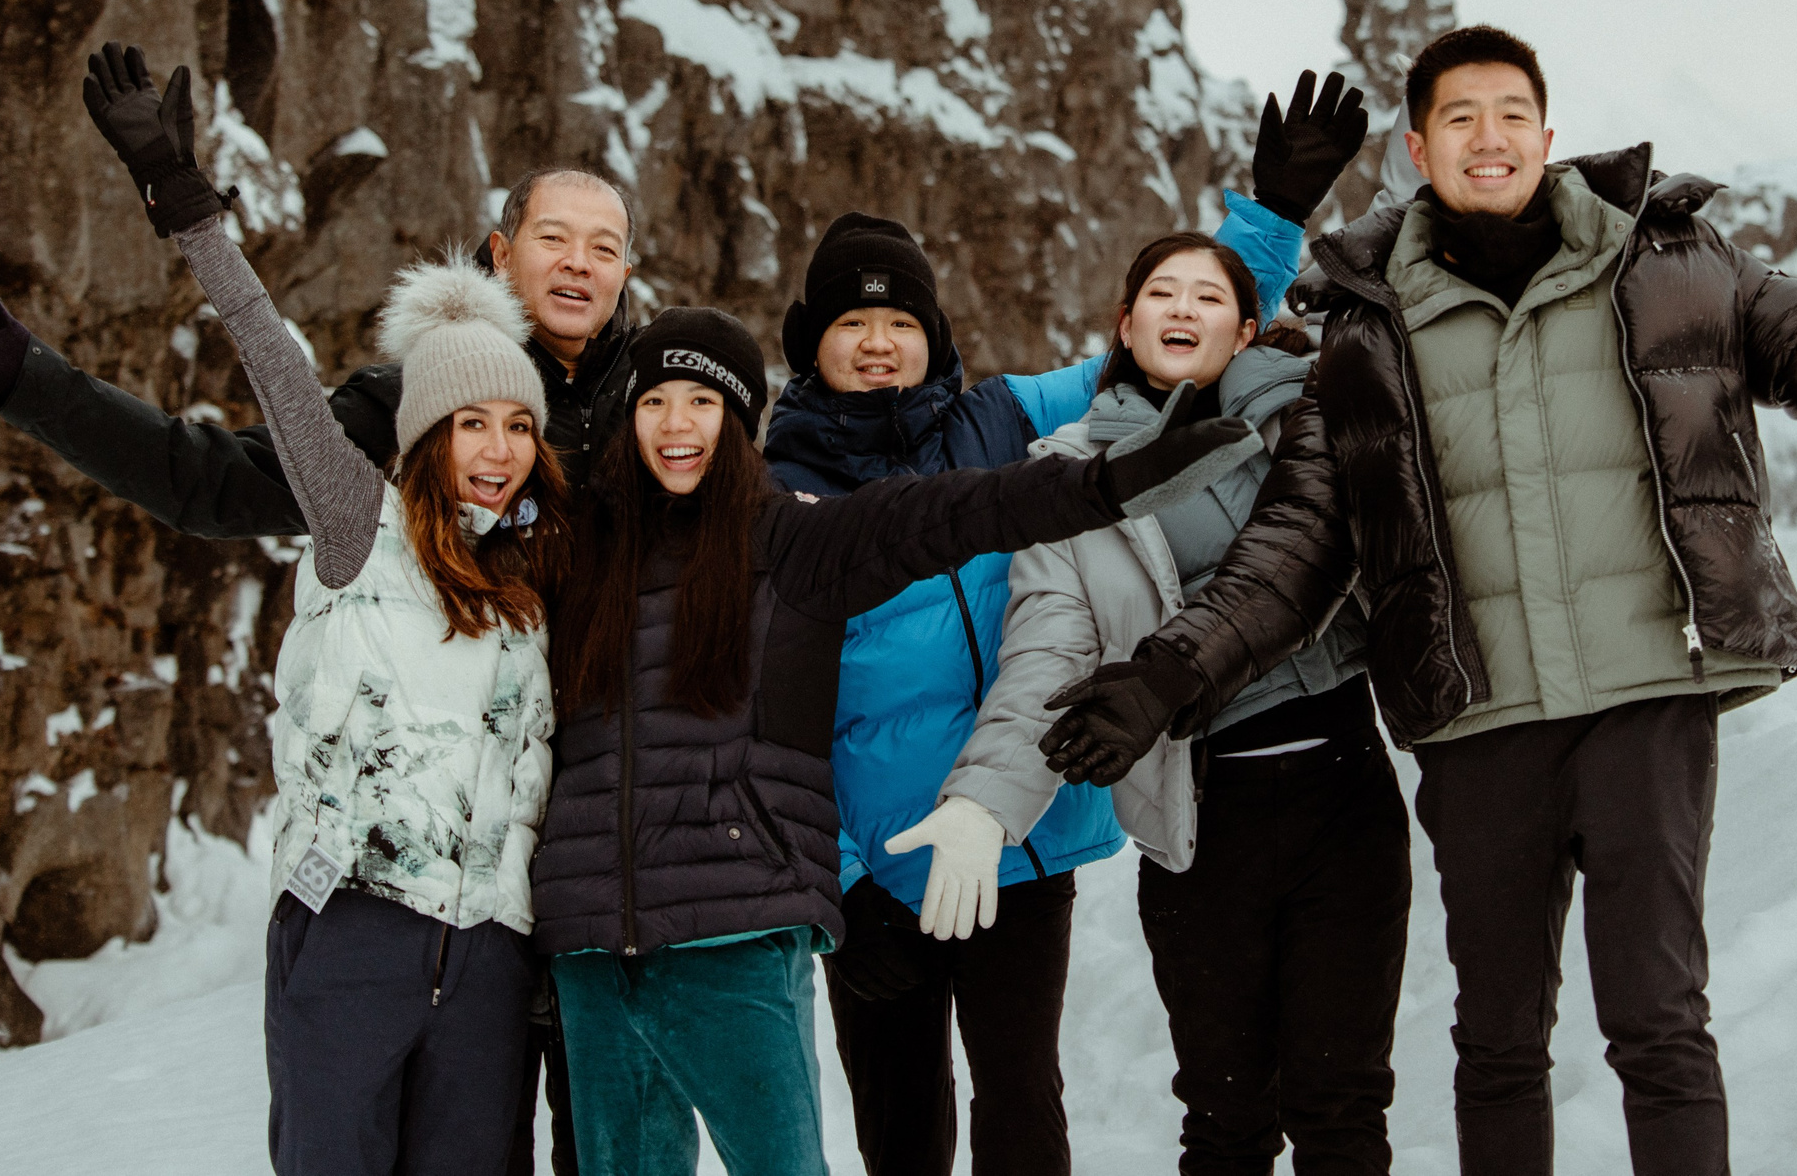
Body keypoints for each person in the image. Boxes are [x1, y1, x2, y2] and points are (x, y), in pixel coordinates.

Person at [1036, 25, 1797, 1176]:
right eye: (1460, 117)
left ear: (1548, 133)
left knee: (1658, 1020)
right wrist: (1165, 674)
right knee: (1498, 1038)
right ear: (1416, 148)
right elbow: (1293, 545)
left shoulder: (1673, 264)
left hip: (1646, 697)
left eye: (1512, 113)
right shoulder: (1363, 329)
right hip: (1480, 719)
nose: (1488, 135)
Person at [0, 135, 643, 1175]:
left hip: (542, 914)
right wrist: (45, 374)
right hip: (372, 908)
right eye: (554, 236)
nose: (578, 262)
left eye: (605, 245)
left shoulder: (658, 425)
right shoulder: (368, 498)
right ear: (498, 250)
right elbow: (225, 453)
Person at [762, 72, 1362, 1176]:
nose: (881, 341)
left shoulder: (1002, 416)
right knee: (899, 1124)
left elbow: (1170, 353)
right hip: (872, 864)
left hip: (1015, 839)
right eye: (855, 322)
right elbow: (771, 708)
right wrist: (835, 879)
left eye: (901, 320)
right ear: (815, 341)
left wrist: (1269, 219)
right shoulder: (770, 490)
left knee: (1021, 1100)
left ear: (934, 333)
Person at [528, 304, 1265, 1176]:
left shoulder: (792, 542)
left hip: (736, 933)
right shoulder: (574, 557)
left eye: (703, 402)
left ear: (736, 421)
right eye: (656, 403)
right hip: (592, 953)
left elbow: (960, 512)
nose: (677, 425)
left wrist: (1109, 483)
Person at [929, 230, 1400, 1175]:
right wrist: (985, 801)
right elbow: (1046, 647)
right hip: (1199, 822)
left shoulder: (1311, 419)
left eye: (1209, 297)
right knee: (1226, 1118)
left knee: (1342, 1107)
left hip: (1343, 795)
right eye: (1162, 293)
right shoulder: (1064, 477)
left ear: (1249, 326)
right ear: (1126, 320)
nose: (1183, 310)